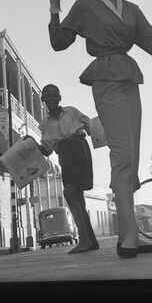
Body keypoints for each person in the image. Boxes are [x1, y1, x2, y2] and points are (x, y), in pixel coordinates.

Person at [48, 0, 152, 259]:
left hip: (129, 80)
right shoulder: (84, 5)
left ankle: (131, 235)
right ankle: (127, 241)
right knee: (121, 152)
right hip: (105, 79)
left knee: (131, 156)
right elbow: (58, 43)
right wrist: (53, 7)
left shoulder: (131, 9)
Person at [35, 84, 99, 254]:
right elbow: (48, 150)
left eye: (55, 95)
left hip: (80, 151)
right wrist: (32, 145)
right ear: (43, 99)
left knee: (69, 192)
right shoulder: (45, 125)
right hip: (64, 156)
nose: (52, 98)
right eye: (48, 96)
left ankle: (84, 240)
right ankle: (92, 241)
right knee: (78, 198)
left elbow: (91, 126)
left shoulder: (71, 111)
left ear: (60, 97)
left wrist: (102, 134)